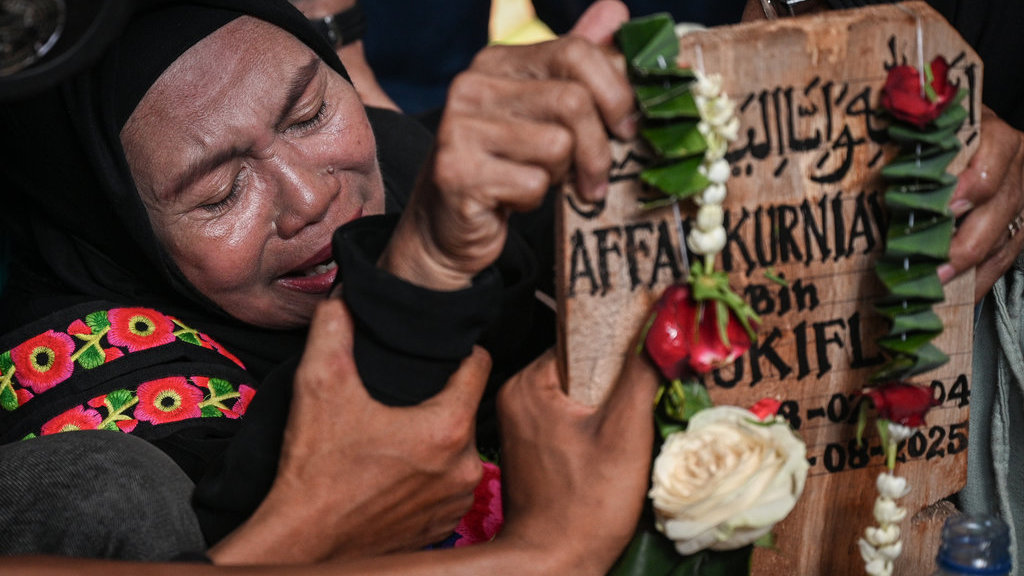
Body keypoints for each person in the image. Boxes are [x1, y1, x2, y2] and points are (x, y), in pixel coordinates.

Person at [0, 0, 659, 571]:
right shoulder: (92, 424)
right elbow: (262, 516)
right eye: (220, 193)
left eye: (309, 114)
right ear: (119, 232)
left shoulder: (409, 165)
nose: (311, 197)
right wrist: (424, 270)